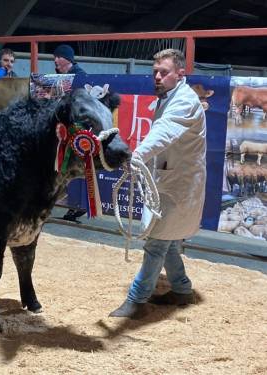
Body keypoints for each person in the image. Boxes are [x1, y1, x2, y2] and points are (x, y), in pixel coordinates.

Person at [109, 48, 207, 319]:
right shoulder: (170, 97)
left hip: (179, 185)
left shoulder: (184, 101)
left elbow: (165, 132)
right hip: (171, 181)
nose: (158, 77)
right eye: (155, 72)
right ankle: (182, 290)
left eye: (164, 72)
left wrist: (137, 154)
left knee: (156, 243)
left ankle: (136, 300)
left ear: (180, 73)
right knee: (169, 241)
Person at [53, 44, 88, 222]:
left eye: (58, 57)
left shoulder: (79, 76)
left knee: (72, 163)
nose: (55, 61)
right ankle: (70, 204)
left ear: (66, 58)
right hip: (63, 127)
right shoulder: (62, 76)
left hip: (75, 127)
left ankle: (76, 205)